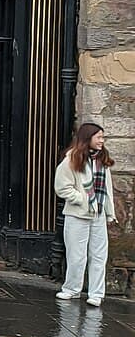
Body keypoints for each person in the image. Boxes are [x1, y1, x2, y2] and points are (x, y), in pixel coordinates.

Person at [54, 123, 119, 305]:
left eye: (102, 137)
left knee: (99, 255)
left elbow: (107, 190)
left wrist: (109, 212)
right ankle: (71, 289)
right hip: (77, 215)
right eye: (98, 137)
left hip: (97, 214)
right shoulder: (71, 159)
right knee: (76, 255)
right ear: (87, 138)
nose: (102, 141)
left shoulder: (103, 160)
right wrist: (81, 199)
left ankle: (96, 294)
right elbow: (61, 187)